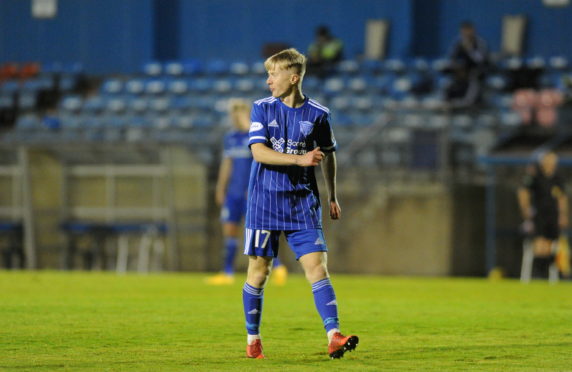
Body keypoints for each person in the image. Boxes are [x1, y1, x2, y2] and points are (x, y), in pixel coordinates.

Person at [242, 48, 358, 359]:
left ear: (293, 78)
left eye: (273, 74)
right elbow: (259, 153)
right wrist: (300, 159)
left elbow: (329, 153)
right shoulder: (262, 109)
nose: (268, 81)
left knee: (317, 267)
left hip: (302, 204)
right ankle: (253, 339)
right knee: (259, 271)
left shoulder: (319, 114)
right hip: (264, 202)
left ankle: (334, 335)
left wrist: (331, 195)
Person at [206, 99, 288, 286]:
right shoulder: (230, 138)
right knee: (229, 230)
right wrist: (221, 188)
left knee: (258, 233)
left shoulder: (257, 135)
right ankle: (227, 273)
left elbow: (264, 162)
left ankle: (278, 266)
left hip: (252, 193)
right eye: (232, 114)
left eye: (239, 113)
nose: (235, 117)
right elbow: (227, 164)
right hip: (233, 194)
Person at [517, 152, 568, 276]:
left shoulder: (558, 178)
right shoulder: (535, 176)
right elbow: (523, 192)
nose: (551, 164)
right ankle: (540, 273)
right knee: (540, 244)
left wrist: (563, 214)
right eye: (548, 161)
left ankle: (551, 271)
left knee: (553, 245)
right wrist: (525, 209)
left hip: (553, 217)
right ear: (543, 162)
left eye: (553, 162)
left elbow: (562, 198)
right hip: (539, 216)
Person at [446, 21, 489, 108]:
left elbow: (480, 60)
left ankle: (468, 103)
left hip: (476, 71)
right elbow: (451, 58)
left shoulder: (479, 42)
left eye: (468, 30)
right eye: (464, 31)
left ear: (473, 30)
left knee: (474, 79)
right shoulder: (458, 42)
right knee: (447, 81)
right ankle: (448, 102)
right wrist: (456, 66)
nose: (466, 33)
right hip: (461, 71)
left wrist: (469, 49)